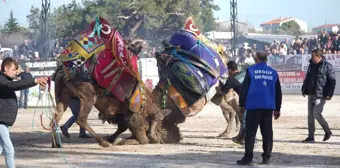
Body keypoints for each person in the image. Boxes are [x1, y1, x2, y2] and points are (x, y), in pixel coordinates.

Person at [0, 57, 48, 168]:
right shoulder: (1, 80)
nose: (15, 72)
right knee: (9, 150)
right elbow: (13, 85)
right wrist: (34, 81)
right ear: (6, 68)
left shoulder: (5, 80)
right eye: (13, 70)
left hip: (4, 123)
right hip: (0, 123)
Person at [237, 51, 282, 165]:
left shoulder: (251, 70)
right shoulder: (273, 72)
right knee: (267, 132)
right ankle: (266, 157)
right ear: (266, 59)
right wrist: (277, 108)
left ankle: (248, 158)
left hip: (253, 106)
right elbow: (278, 92)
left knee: (251, 133)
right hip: (268, 107)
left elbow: (244, 89)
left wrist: (241, 104)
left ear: (256, 58)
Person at [301, 49, 336, 143]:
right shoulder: (311, 65)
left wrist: (329, 94)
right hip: (311, 93)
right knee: (310, 116)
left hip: (320, 95)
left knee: (316, 114)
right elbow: (308, 78)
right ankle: (311, 137)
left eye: (313, 57)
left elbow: (332, 81)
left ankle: (327, 131)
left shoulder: (328, 66)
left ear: (319, 57)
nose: (312, 58)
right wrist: (304, 89)